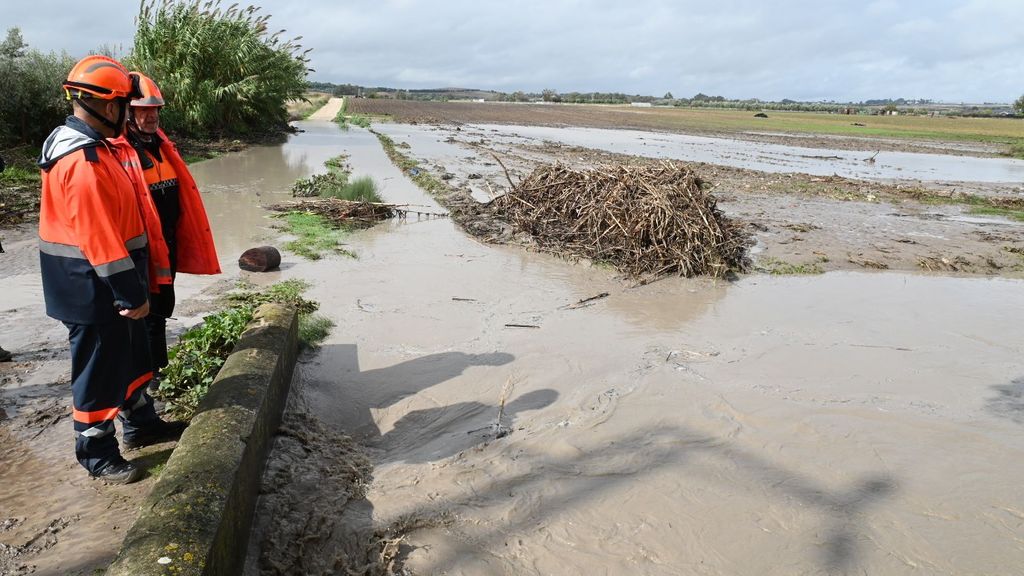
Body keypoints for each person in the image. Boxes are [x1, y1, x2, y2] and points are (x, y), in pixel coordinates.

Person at [37, 55, 184, 484]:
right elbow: (100, 238)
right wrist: (131, 294)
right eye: (125, 104)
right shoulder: (83, 162)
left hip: (112, 282)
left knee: (133, 357)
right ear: (105, 105)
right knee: (99, 370)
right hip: (93, 287)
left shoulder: (101, 148)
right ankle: (97, 453)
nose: (130, 113)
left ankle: (141, 424)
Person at [111, 72, 220, 386]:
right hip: (139, 250)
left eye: (156, 110)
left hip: (166, 245)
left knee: (160, 311)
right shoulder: (118, 151)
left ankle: (158, 371)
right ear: (127, 112)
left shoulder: (160, 145)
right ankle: (148, 379)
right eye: (144, 110)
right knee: (143, 316)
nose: (152, 116)